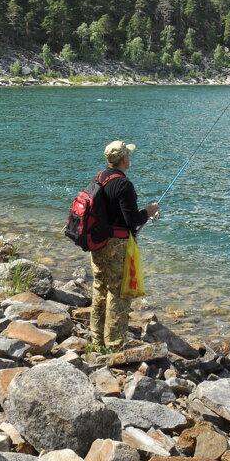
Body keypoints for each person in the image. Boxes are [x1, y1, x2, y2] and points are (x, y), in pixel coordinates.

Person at [87, 139, 159, 350]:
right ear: (123, 159)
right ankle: (115, 342)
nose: (130, 158)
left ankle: (96, 337)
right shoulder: (124, 184)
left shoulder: (99, 178)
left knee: (100, 288)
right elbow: (132, 221)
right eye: (128, 155)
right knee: (118, 293)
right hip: (116, 245)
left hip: (97, 242)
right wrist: (149, 211)